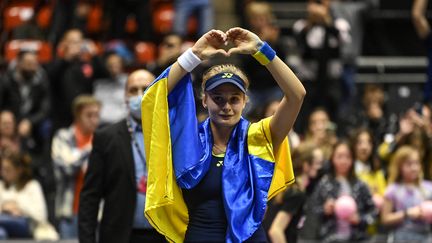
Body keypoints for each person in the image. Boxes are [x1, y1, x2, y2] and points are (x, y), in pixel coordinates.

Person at [142, 27, 306, 242]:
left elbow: (297, 95)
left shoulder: (259, 137)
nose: (226, 106)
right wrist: (194, 54)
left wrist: (260, 49)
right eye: (218, 98)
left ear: (245, 101)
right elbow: (153, 100)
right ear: (204, 101)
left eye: (234, 99)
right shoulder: (188, 140)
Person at [78, 70, 166, 243]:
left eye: (146, 88)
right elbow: (90, 196)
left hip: (164, 235)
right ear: (125, 96)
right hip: (120, 235)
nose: (140, 95)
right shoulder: (107, 137)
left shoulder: (171, 134)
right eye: (133, 90)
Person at [52, 95, 101, 239]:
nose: (94, 120)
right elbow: (66, 168)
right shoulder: (63, 137)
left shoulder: (102, 138)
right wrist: (89, 148)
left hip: (97, 214)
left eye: (97, 115)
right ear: (78, 115)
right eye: (89, 115)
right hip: (69, 212)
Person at [308, 141, 377, 243]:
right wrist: (324, 209)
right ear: (332, 158)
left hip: (358, 238)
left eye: (347, 157)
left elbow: (373, 211)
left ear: (352, 159)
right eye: (339, 156)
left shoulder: (360, 184)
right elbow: (311, 210)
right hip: (329, 238)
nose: (343, 161)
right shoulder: (324, 183)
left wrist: (360, 219)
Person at [266, 142, 324, 243]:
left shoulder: (285, 186)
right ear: (306, 165)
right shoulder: (296, 194)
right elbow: (275, 231)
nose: (320, 167)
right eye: (317, 163)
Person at [0, 152, 58, 240]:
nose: (3, 173)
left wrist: (18, 206)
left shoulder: (32, 186)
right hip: (4, 224)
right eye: (2, 169)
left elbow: (41, 216)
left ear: (19, 170)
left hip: (27, 226)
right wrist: (5, 208)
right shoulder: (1, 186)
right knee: (1, 233)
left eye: (8, 169)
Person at [381, 146, 432, 243]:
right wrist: (406, 213)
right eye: (409, 164)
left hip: (426, 237)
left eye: (417, 163)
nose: (414, 168)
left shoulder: (429, 188)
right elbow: (385, 219)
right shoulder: (392, 190)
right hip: (402, 237)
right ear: (400, 167)